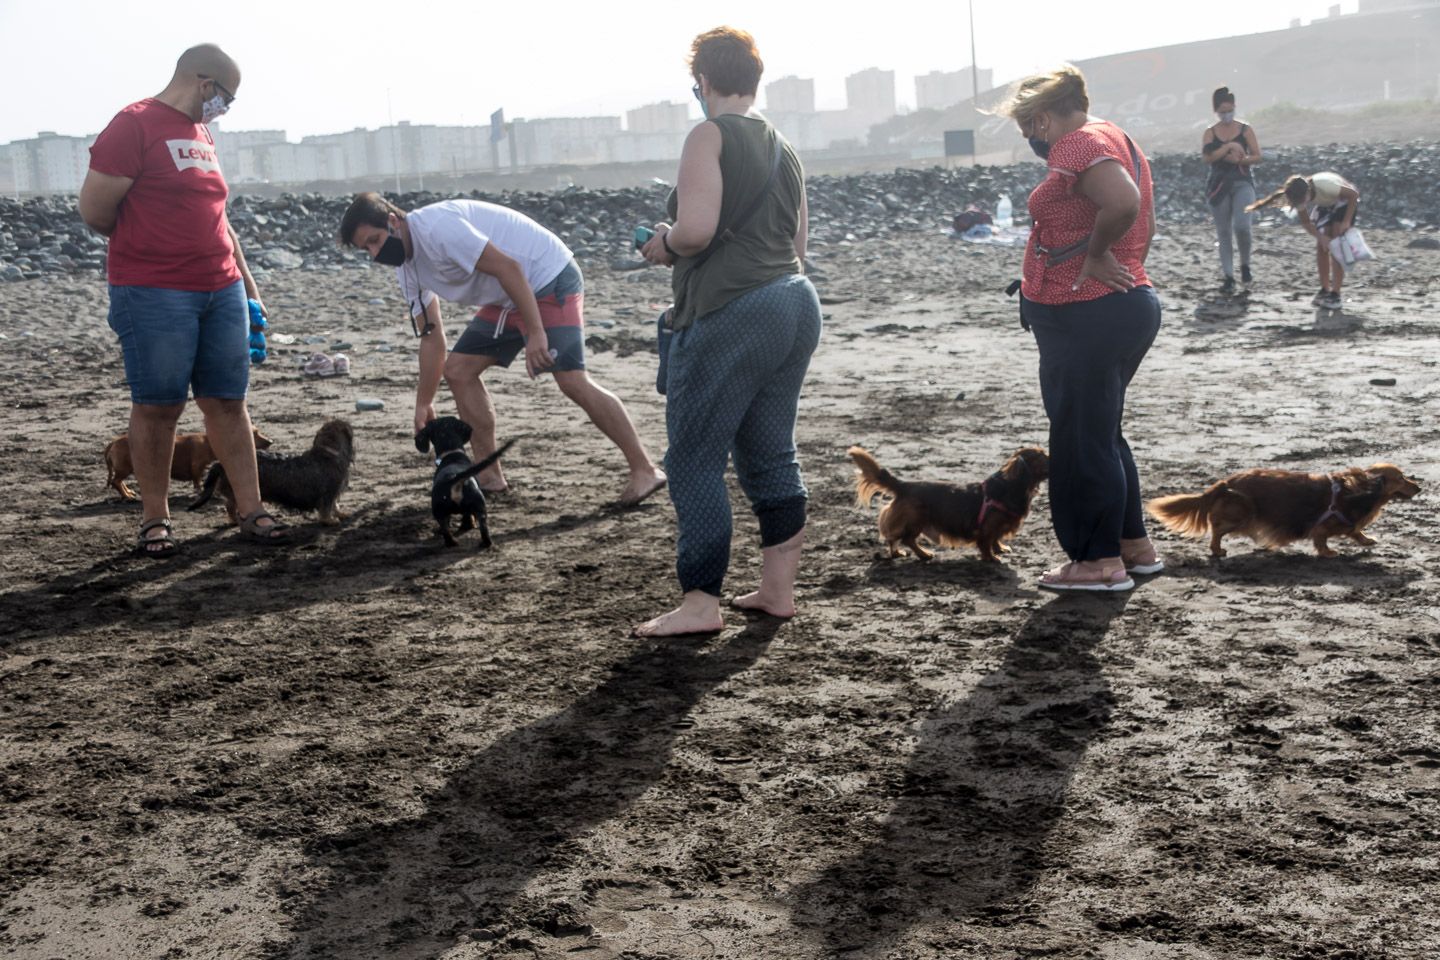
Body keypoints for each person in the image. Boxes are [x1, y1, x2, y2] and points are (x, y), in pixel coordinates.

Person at [633, 26, 821, 636]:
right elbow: (798, 245)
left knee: (693, 458)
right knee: (770, 451)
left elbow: (696, 232)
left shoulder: (707, 134)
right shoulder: (784, 149)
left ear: (704, 82)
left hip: (731, 309)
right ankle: (776, 591)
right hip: (794, 303)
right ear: (754, 79)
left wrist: (662, 244)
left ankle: (700, 603)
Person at [78, 43, 289, 557]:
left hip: (221, 289)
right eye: (226, 98)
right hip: (154, 291)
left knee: (228, 403)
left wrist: (249, 292)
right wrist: (153, 246)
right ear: (203, 83)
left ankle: (250, 508)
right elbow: (95, 211)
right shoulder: (133, 125)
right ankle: (155, 520)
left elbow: (219, 219)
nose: (225, 109)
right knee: (159, 406)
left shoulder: (201, 134)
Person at [338, 193, 666, 505]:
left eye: (374, 241)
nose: (374, 254)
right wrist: (424, 402)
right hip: (509, 297)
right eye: (365, 249)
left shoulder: (439, 229)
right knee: (457, 370)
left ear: (393, 222)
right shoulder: (407, 270)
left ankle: (644, 470)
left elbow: (509, 268)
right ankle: (490, 475)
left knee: (570, 380)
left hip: (548, 276)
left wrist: (536, 333)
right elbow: (431, 336)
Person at [1000, 65, 1162, 592]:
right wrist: (1119, 260)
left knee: (1077, 440)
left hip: (1087, 311)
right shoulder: (1118, 137)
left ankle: (1097, 562)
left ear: (1042, 117)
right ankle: (1133, 546)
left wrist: (1094, 258)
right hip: (1123, 304)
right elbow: (1145, 221)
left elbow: (1124, 204)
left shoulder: (1075, 144)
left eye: (1028, 127)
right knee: (1101, 433)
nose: (1031, 140)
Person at [1247, 173, 1359, 308]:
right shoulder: (1299, 198)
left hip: (1344, 201)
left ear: (1308, 192)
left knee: (1335, 246)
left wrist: (1346, 221)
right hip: (1325, 204)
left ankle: (1336, 294)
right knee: (1322, 247)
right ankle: (1324, 289)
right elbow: (1306, 223)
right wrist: (1321, 237)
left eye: (1302, 201)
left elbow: (1353, 195)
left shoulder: (1325, 186)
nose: (1302, 205)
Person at [1202, 86, 1261, 292]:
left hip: (1242, 180)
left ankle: (1245, 265)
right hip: (1218, 184)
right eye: (1222, 110)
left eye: (1229, 109)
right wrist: (1227, 149)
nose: (1226, 114)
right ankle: (1228, 276)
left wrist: (1242, 158)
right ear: (1216, 110)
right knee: (1223, 231)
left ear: (1234, 107)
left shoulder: (1245, 129)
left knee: (1242, 226)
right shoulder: (1210, 133)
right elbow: (1208, 157)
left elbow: (1257, 155)